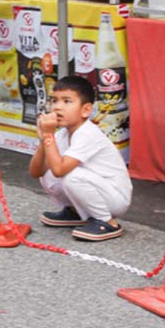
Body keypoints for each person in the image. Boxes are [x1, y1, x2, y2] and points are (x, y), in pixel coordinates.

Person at [29, 76, 133, 241]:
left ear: (86, 110)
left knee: (70, 175)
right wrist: (44, 140)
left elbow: (60, 170)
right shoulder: (63, 134)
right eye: (54, 100)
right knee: (48, 171)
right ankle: (75, 211)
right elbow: (36, 172)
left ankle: (107, 222)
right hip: (96, 189)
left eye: (67, 101)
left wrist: (49, 135)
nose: (57, 107)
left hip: (114, 198)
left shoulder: (88, 133)